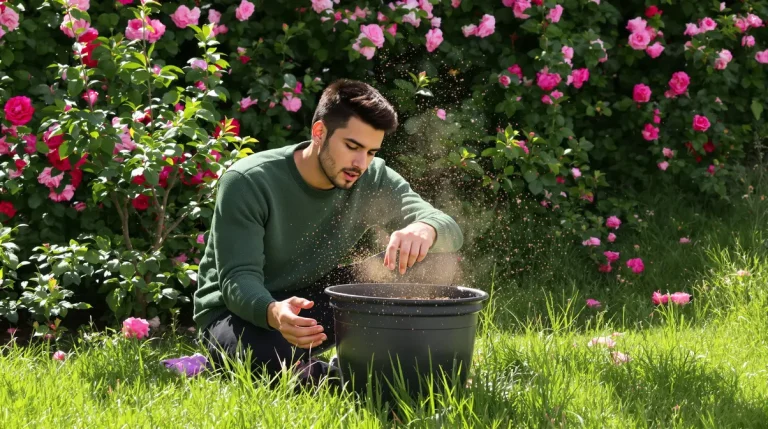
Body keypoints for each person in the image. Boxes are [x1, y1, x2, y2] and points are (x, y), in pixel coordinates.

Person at [193, 78, 464, 387]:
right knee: (263, 358)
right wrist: (274, 312)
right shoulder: (249, 181)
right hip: (241, 314)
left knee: (428, 259)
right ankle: (356, 375)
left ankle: (396, 359)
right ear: (319, 132)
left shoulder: (372, 177)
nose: (360, 163)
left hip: (315, 303)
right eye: (352, 147)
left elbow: (448, 229)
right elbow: (237, 280)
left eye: (371, 152)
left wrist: (424, 228)